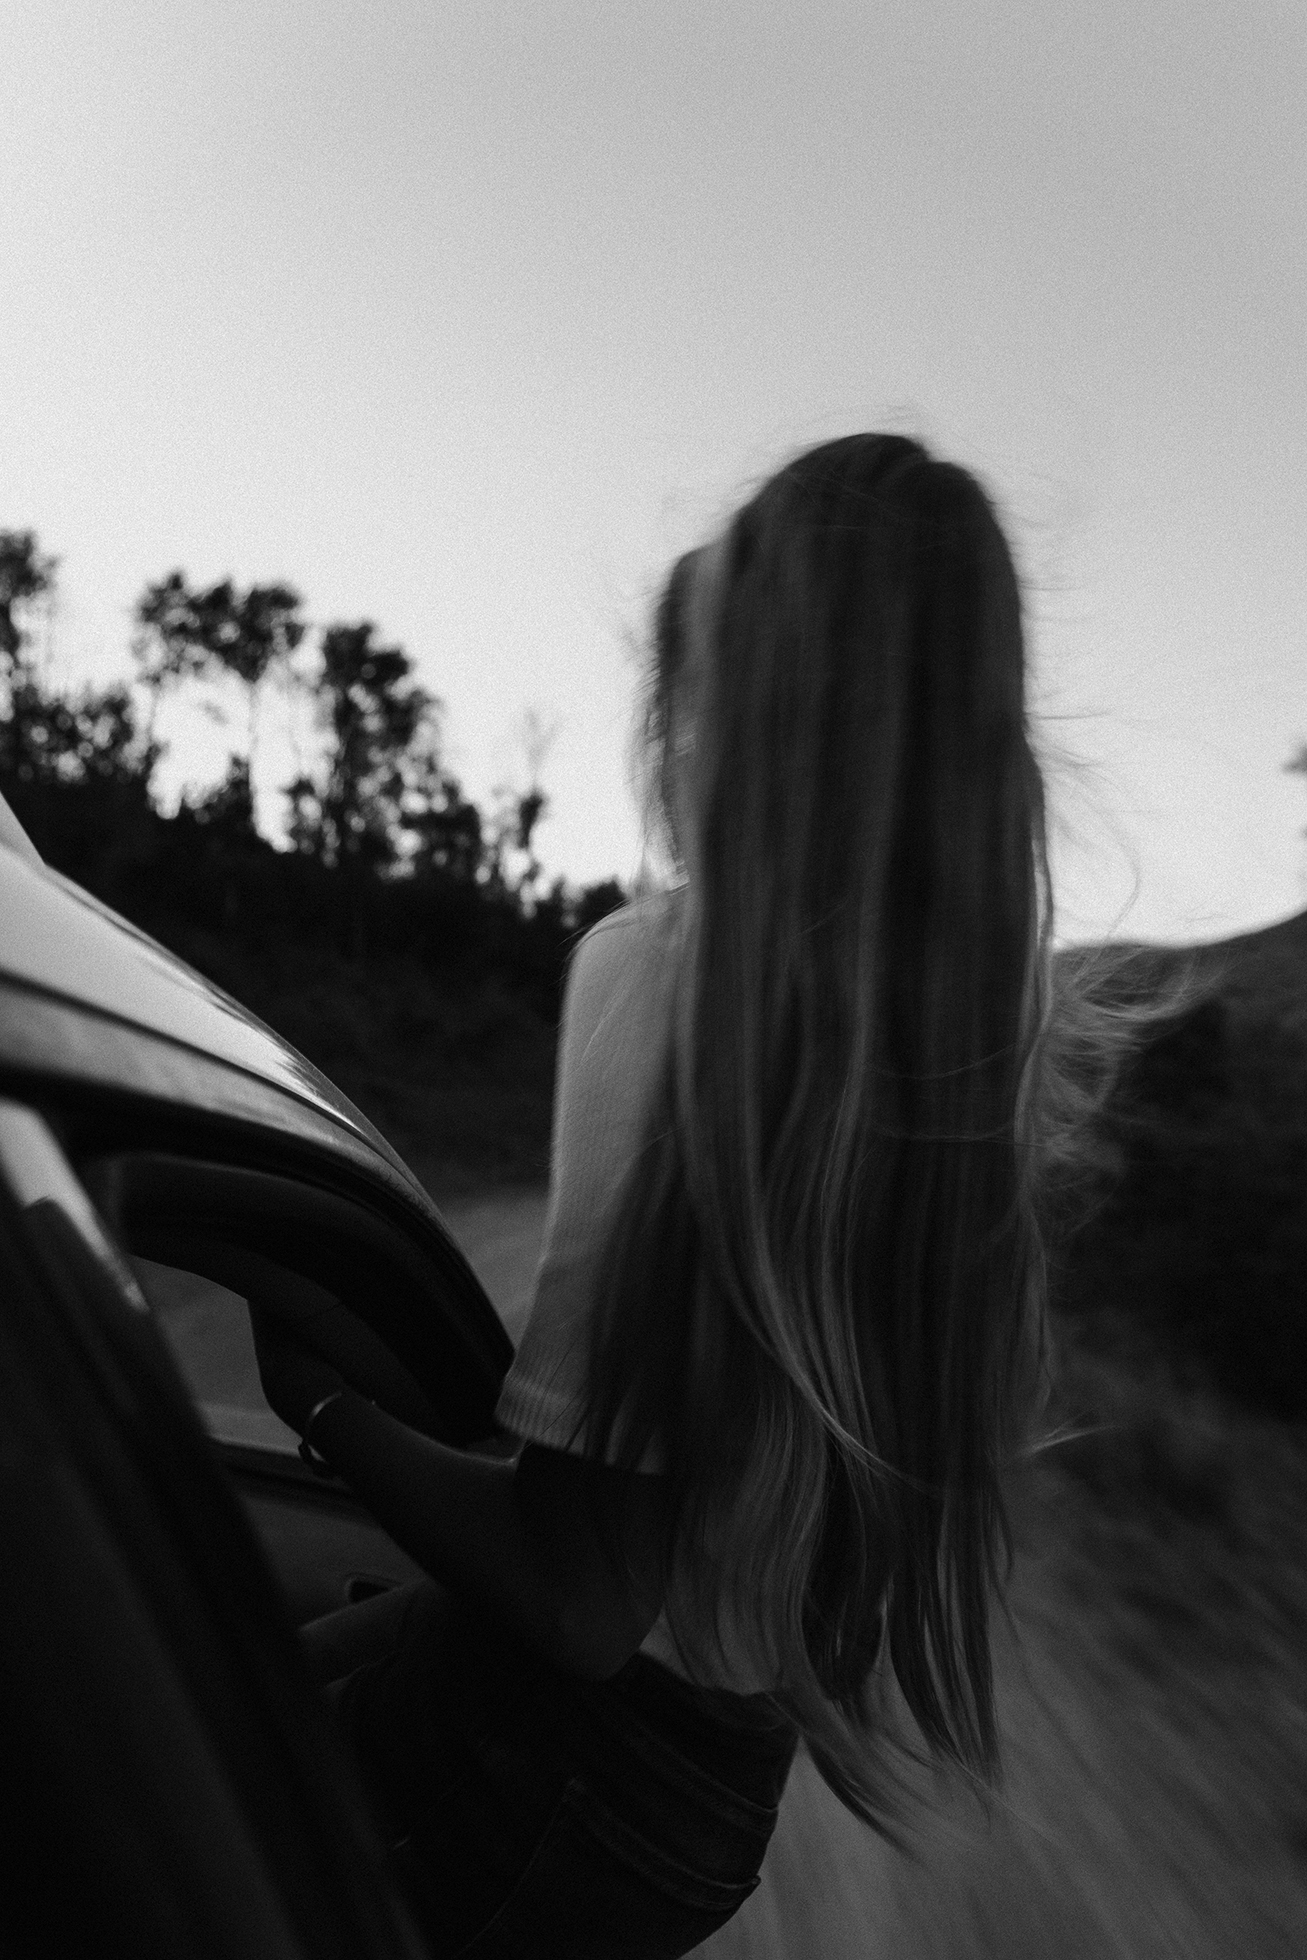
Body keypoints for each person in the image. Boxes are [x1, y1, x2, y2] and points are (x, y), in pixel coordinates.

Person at [253, 432, 1063, 1957]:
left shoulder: (664, 981)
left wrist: (323, 1408)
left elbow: (577, 1601)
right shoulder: (966, 1092)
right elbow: (769, 1585)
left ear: (746, 707)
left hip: (556, 1751)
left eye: (687, 694)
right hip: (705, 1809)